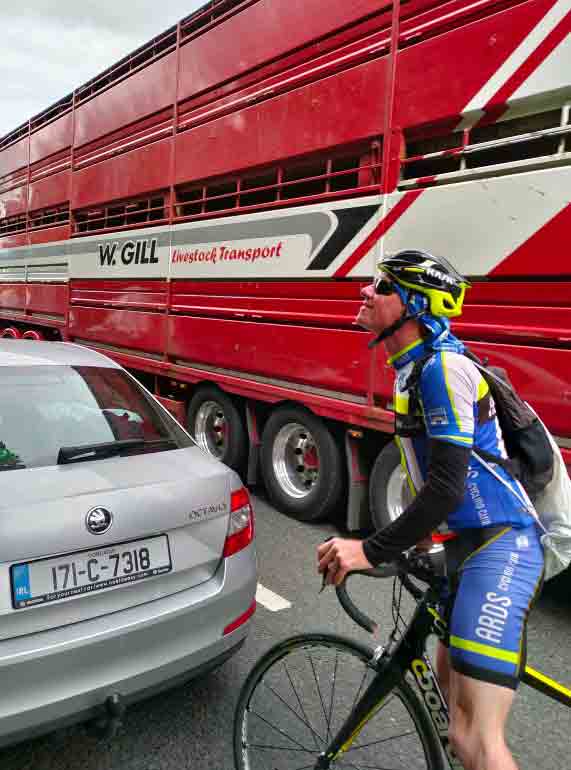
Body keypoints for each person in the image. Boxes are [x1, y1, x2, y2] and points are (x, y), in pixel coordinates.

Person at [317, 249, 544, 770]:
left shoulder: (443, 369)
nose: (365, 292)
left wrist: (368, 551)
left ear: (414, 306)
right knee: (448, 706)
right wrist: (420, 545)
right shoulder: (413, 370)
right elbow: (427, 474)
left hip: (502, 545)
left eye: (382, 285)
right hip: (468, 546)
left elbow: (446, 485)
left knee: (476, 738)